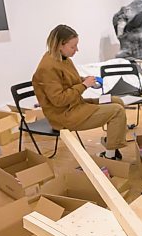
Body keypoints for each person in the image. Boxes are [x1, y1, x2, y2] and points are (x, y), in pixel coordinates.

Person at [32, 24, 128, 160]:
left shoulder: (63, 59)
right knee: (116, 111)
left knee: (117, 101)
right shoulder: (47, 68)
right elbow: (59, 100)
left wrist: (88, 81)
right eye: (73, 46)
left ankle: (111, 143)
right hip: (64, 116)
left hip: (76, 105)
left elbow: (70, 81)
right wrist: (84, 85)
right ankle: (111, 155)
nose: (77, 50)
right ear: (60, 45)